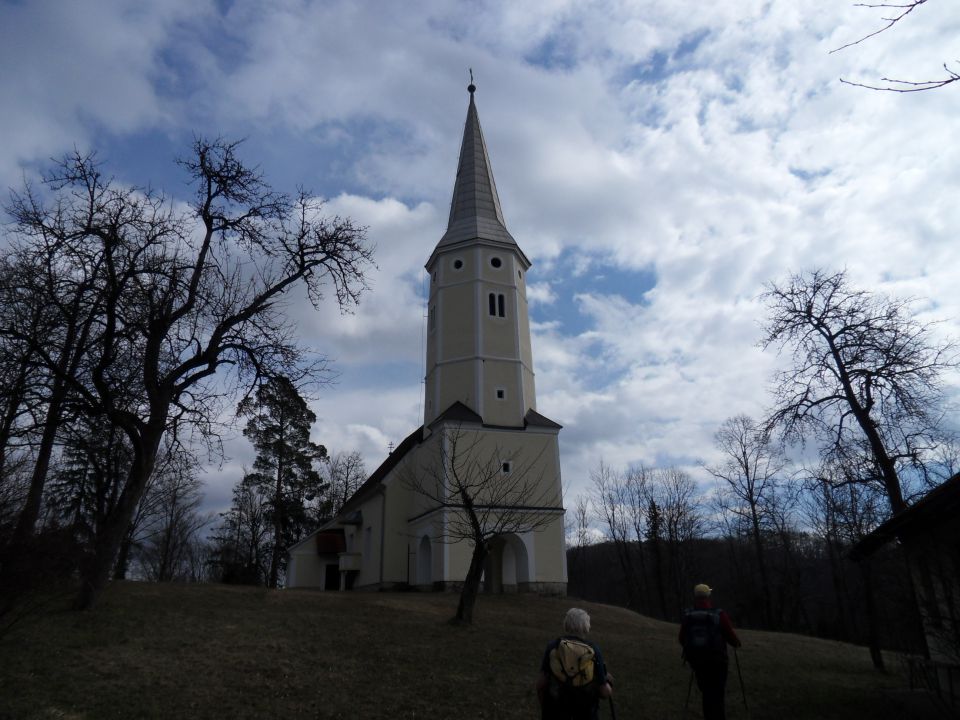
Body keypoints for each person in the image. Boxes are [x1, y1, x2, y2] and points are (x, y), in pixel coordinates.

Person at [536, 607, 613, 720]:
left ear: (566, 623)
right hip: (586, 714)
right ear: (586, 626)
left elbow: (540, 684)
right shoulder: (594, 650)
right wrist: (609, 683)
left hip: (556, 712)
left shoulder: (553, 646)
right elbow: (604, 692)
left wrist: (545, 707)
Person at [678, 583, 741, 720]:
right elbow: (730, 635)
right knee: (718, 694)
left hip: (697, 661)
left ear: (695, 597)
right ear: (708, 596)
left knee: (706, 692)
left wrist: (692, 650)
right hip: (718, 661)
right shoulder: (719, 614)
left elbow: (681, 638)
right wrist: (737, 643)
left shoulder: (688, 615)